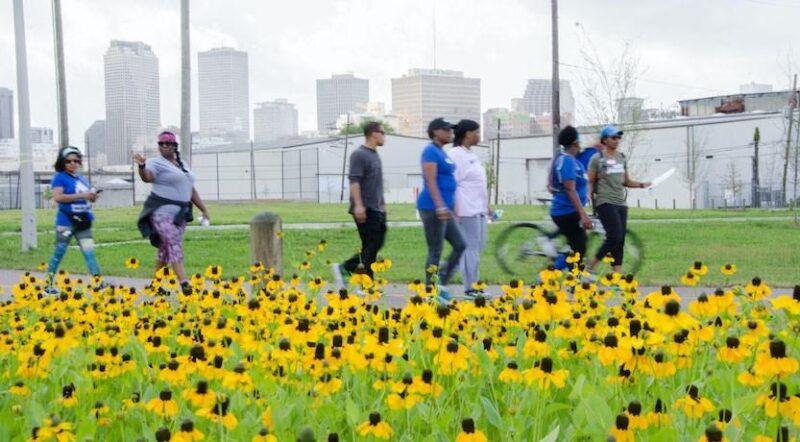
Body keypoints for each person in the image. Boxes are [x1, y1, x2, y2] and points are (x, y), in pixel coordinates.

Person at [134, 131, 210, 294]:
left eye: (169, 143)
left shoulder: (183, 163)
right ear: (159, 146)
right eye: (162, 143)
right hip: (161, 213)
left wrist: (203, 209)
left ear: (175, 146)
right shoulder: (155, 163)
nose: (166, 146)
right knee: (174, 244)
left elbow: (190, 189)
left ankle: (155, 286)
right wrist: (141, 166)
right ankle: (184, 284)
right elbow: (147, 177)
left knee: (165, 248)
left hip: (180, 214)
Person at [586, 126, 650, 273]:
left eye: (618, 138)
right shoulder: (597, 159)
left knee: (620, 240)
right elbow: (590, 181)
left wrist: (642, 185)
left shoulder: (621, 157)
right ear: (605, 140)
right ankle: (589, 267)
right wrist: (588, 195)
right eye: (613, 137)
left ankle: (616, 278)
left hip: (620, 203)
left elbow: (626, 181)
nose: (617, 140)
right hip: (604, 202)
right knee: (613, 237)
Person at [332, 122, 387, 286]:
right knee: (371, 246)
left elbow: (376, 183)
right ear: (373, 133)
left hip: (376, 208)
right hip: (365, 208)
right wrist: (358, 205)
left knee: (374, 245)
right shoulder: (359, 154)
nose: (385, 136)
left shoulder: (374, 154)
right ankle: (348, 270)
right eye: (383, 133)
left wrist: (383, 205)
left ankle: (359, 277)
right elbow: (354, 180)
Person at [418, 118, 466, 302]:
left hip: (445, 208)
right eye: (446, 130)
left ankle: (441, 282)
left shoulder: (441, 152)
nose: (450, 133)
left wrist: (451, 207)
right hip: (432, 207)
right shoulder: (430, 151)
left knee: (460, 244)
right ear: (435, 132)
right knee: (435, 249)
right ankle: (431, 292)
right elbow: (430, 180)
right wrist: (439, 204)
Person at [46, 146, 103, 292]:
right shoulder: (59, 177)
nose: (72, 163)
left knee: (89, 252)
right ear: (62, 162)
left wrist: (92, 196)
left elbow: (88, 198)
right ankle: (48, 285)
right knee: (59, 252)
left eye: (76, 160)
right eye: (68, 161)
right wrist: (83, 195)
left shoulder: (81, 178)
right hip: (66, 222)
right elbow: (58, 197)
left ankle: (98, 283)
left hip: (83, 221)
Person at [448, 119, 489, 299]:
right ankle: (470, 289)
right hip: (465, 209)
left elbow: (479, 183)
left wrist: (487, 206)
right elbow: (453, 184)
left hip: (478, 209)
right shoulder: (456, 154)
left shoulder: (471, 154)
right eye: (476, 132)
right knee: (470, 249)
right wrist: (455, 210)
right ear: (467, 134)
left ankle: (443, 273)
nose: (479, 136)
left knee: (478, 247)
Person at [548, 126, 593, 264]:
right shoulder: (567, 160)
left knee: (577, 247)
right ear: (575, 142)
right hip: (566, 212)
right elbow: (570, 189)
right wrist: (582, 214)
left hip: (568, 211)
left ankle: (559, 276)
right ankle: (550, 277)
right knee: (578, 248)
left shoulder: (570, 160)